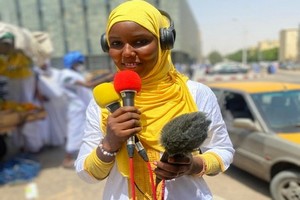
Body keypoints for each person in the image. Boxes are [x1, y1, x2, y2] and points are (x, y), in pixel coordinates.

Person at [75, 1, 234, 199]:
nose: (127, 53)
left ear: (164, 41)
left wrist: (192, 165)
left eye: (140, 41)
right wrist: (109, 143)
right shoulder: (103, 103)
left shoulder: (196, 94)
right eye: (116, 43)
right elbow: (86, 174)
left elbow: (223, 151)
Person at [59, 51, 93, 168]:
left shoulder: (75, 73)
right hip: (76, 109)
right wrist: (108, 77)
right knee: (75, 132)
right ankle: (67, 158)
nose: (80, 64)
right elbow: (87, 85)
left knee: (85, 132)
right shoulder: (66, 75)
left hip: (82, 108)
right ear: (72, 62)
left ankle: (83, 156)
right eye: (78, 62)